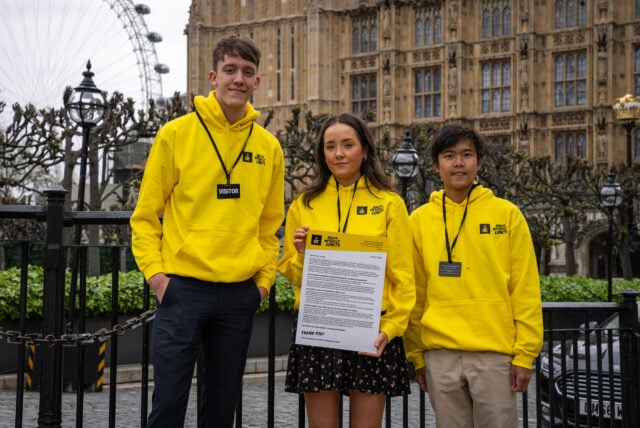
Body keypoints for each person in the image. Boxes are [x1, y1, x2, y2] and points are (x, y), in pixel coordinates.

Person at [130, 35, 284, 427]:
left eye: (247, 72)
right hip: (183, 290)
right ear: (213, 77)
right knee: (167, 405)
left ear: (257, 82)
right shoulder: (176, 134)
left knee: (220, 410)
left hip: (239, 293)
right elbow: (146, 217)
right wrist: (158, 278)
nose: (239, 79)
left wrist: (262, 283)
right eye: (230, 70)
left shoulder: (269, 147)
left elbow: (270, 227)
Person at [277, 113, 416, 428]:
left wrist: (390, 329)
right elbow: (293, 273)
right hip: (319, 326)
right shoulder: (304, 203)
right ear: (322, 153)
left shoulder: (389, 203)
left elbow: (403, 277)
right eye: (330, 146)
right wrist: (301, 254)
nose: (338, 153)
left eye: (347, 145)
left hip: (371, 328)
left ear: (364, 150)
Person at [404, 124, 543, 428]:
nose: (458, 163)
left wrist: (524, 355)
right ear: (435, 165)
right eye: (449, 155)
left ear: (479, 162)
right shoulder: (418, 221)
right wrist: (417, 355)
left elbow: (525, 290)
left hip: (494, 355)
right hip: (440, 354)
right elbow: (415, 292)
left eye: (467, 155)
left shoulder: (507, 215)